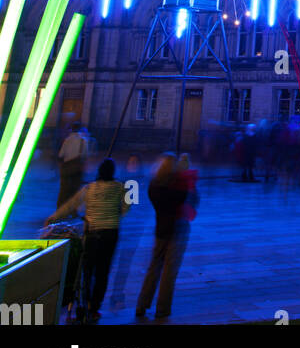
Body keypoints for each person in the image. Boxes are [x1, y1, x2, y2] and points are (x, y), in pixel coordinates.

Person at [46, 157, 129, 320]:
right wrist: (114, 215)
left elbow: (71, 204)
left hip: (91, 233)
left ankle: (85, 301)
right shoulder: (121, 188)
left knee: (87, 270)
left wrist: (53, 217)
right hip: (110, 233)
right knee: (103, 271)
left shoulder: (89, 188)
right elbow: (126, 208)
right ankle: (95, 306)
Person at [135, 154, 197, 321]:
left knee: (153, 268)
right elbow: (191, 200)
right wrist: (186, 175)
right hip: (178, 229)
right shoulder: (179, 188)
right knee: (169, 272)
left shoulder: (154, 186)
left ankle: (142, 304)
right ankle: (162, 309)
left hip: (160, 229)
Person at [56, 122, 88, 207]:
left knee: (63, 190)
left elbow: (61, 154)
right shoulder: (83, 140)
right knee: (75, 190)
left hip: (66, 167)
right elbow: (85, 155)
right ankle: (73, 211)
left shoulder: (67, 140)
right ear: (80, 129)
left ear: (72, 129)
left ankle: (60, 209)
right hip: (77, 168)